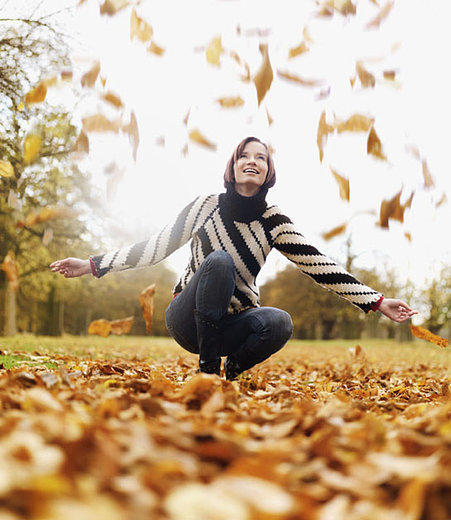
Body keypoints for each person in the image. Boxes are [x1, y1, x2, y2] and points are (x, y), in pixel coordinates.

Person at [50, 136, 417, 380]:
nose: (252, 161)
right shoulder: (205, 206)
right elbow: (155, 246)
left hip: (232, 325)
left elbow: (321, 266)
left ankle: (230, 373)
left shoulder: (275, 222)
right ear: (233, 165)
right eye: (245, 155)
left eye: (261, 157)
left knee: (280, 321)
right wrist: (93, 264)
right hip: (187, 318)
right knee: (220, 261)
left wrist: (377, 301)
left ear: (269, 171)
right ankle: (207, 371)